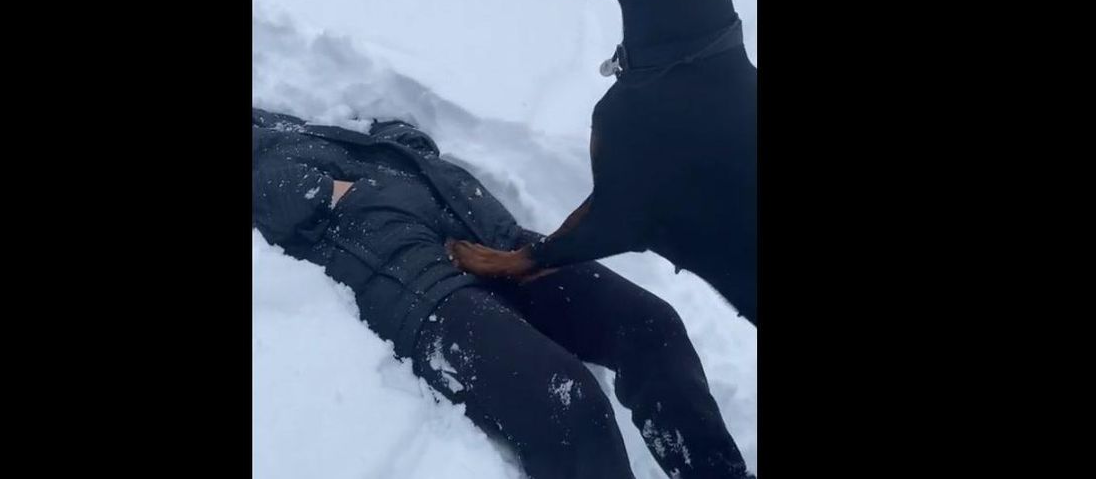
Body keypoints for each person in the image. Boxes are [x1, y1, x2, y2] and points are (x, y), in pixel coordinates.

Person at [253, 107, 752, 478]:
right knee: (569, 402)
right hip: (421, 289)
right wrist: (349, 192)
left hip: (493, 238)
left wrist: (401, 143)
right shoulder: (266, 156)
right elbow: (285, 204)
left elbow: (394, 134)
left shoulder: (299, 124)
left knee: (651, 326)